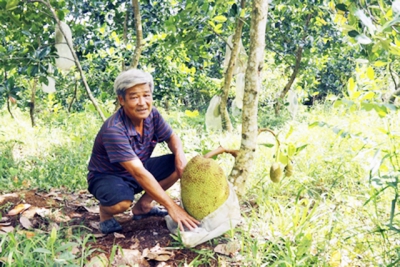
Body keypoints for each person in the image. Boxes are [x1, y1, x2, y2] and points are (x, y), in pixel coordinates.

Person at [87, 69, 199, 234]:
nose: (142, 102)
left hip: (137, 169)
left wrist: (180, 158)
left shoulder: (152, 115)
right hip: (108, 176)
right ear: (121, 100)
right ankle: (105, 212)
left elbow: (172, 138)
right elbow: (138, 172)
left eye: (146, 95)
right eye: (134, 97)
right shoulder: (114, 129)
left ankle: (143, 206)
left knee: (177, 164)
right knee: (121, 203)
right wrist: (172, 207)